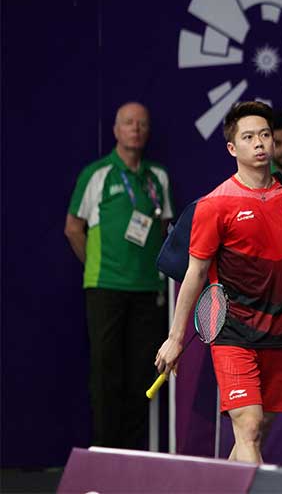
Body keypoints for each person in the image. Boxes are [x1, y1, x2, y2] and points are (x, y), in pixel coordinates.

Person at [154, 101, 282, 463]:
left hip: (281, 331)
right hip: (233, 330)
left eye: (265, 135)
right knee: (249, 426)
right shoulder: (216, 205)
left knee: (258, 430)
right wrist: (175, 339)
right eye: (249, 137)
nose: (260, 143)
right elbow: (194, 274)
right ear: (232, 148)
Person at [65, 101, 174, 449]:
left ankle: (134, 454)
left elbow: (164, 228)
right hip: (105, 288)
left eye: (142, 123)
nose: (136, 129)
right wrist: (96, 265)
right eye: (129, 123)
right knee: (106, 374)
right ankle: (105, 452)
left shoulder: (158, 176)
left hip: (148, 290)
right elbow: (72, 228)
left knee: (142, 373)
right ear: (115, 130)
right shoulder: (97, 174)